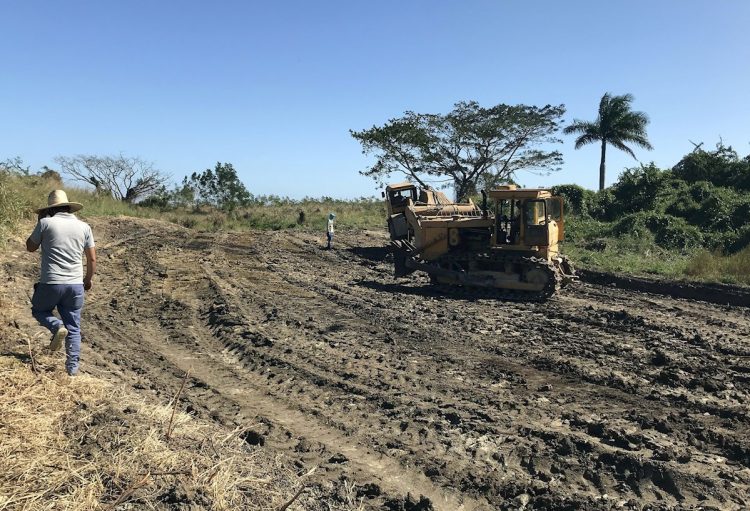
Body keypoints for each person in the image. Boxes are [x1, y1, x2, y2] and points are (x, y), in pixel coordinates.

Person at [26, 190, 96, 376]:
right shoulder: (84, 227)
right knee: (74, 327)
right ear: (68, 207)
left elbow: (30, 247)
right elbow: (92, 259)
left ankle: (56, 326)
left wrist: (40, 223)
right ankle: (72, 370)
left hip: (51, 282)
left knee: (39, 310)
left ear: (51, 209)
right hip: (75, 285)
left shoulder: (45, 223)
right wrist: (87, 280)